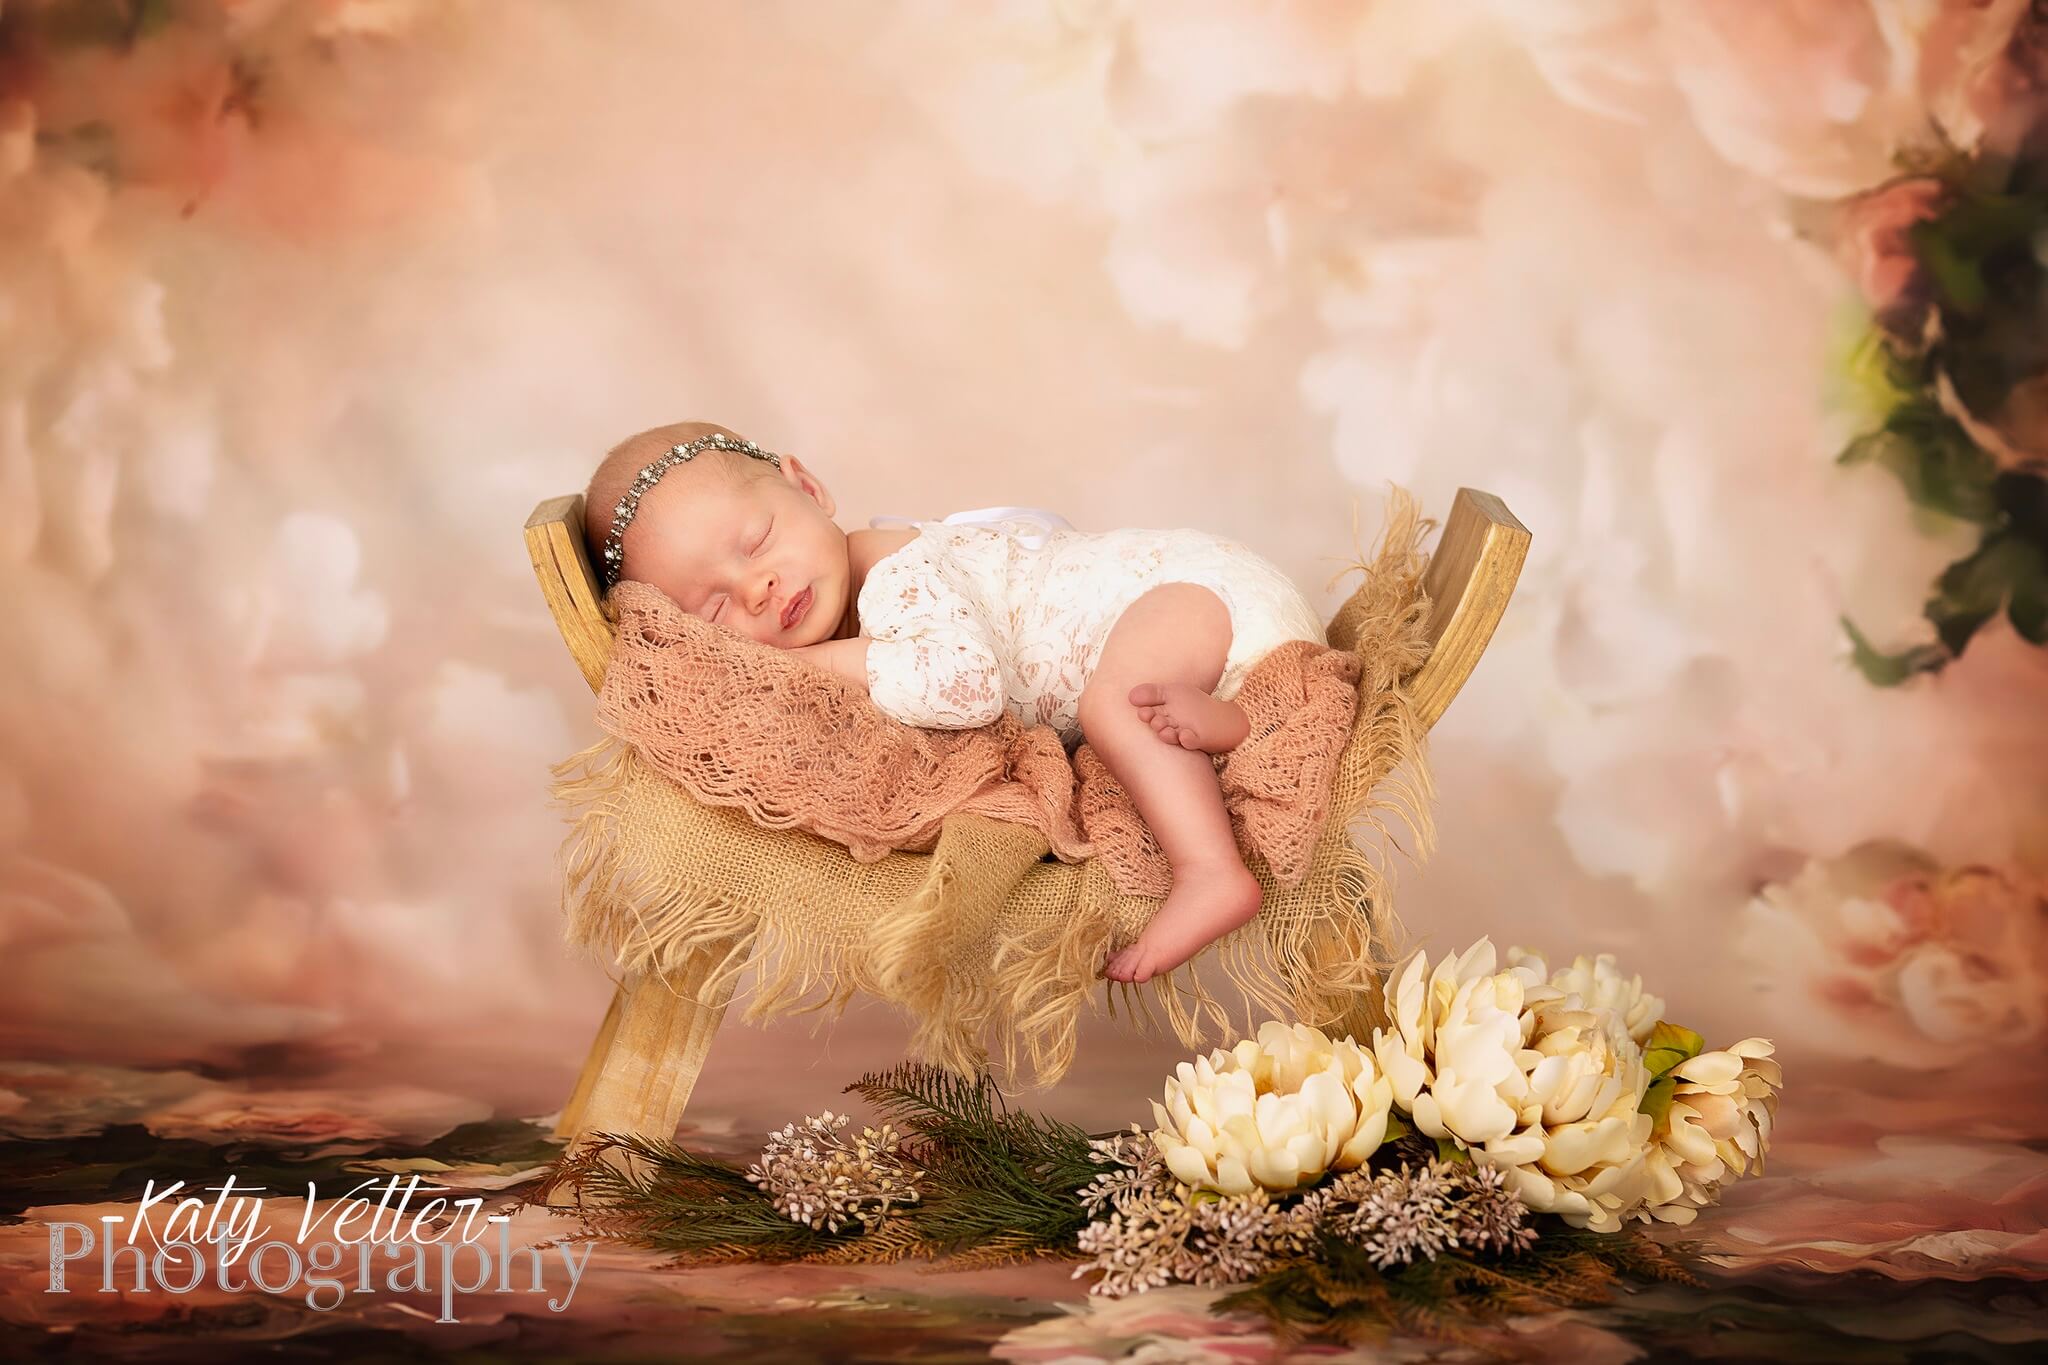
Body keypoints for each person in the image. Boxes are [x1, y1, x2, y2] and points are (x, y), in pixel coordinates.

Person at [584, 420, 1328, 984]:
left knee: (1115, 704)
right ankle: (1229, 721)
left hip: (1202, 592)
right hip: (1208, 643)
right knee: (1140, 708)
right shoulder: (860, 596)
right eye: (715, 610)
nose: (758, 588)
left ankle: (1210, 872)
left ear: (809, 490)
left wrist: (811, 663)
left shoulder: (898, 571)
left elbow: (963, 686)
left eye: (758, 540)